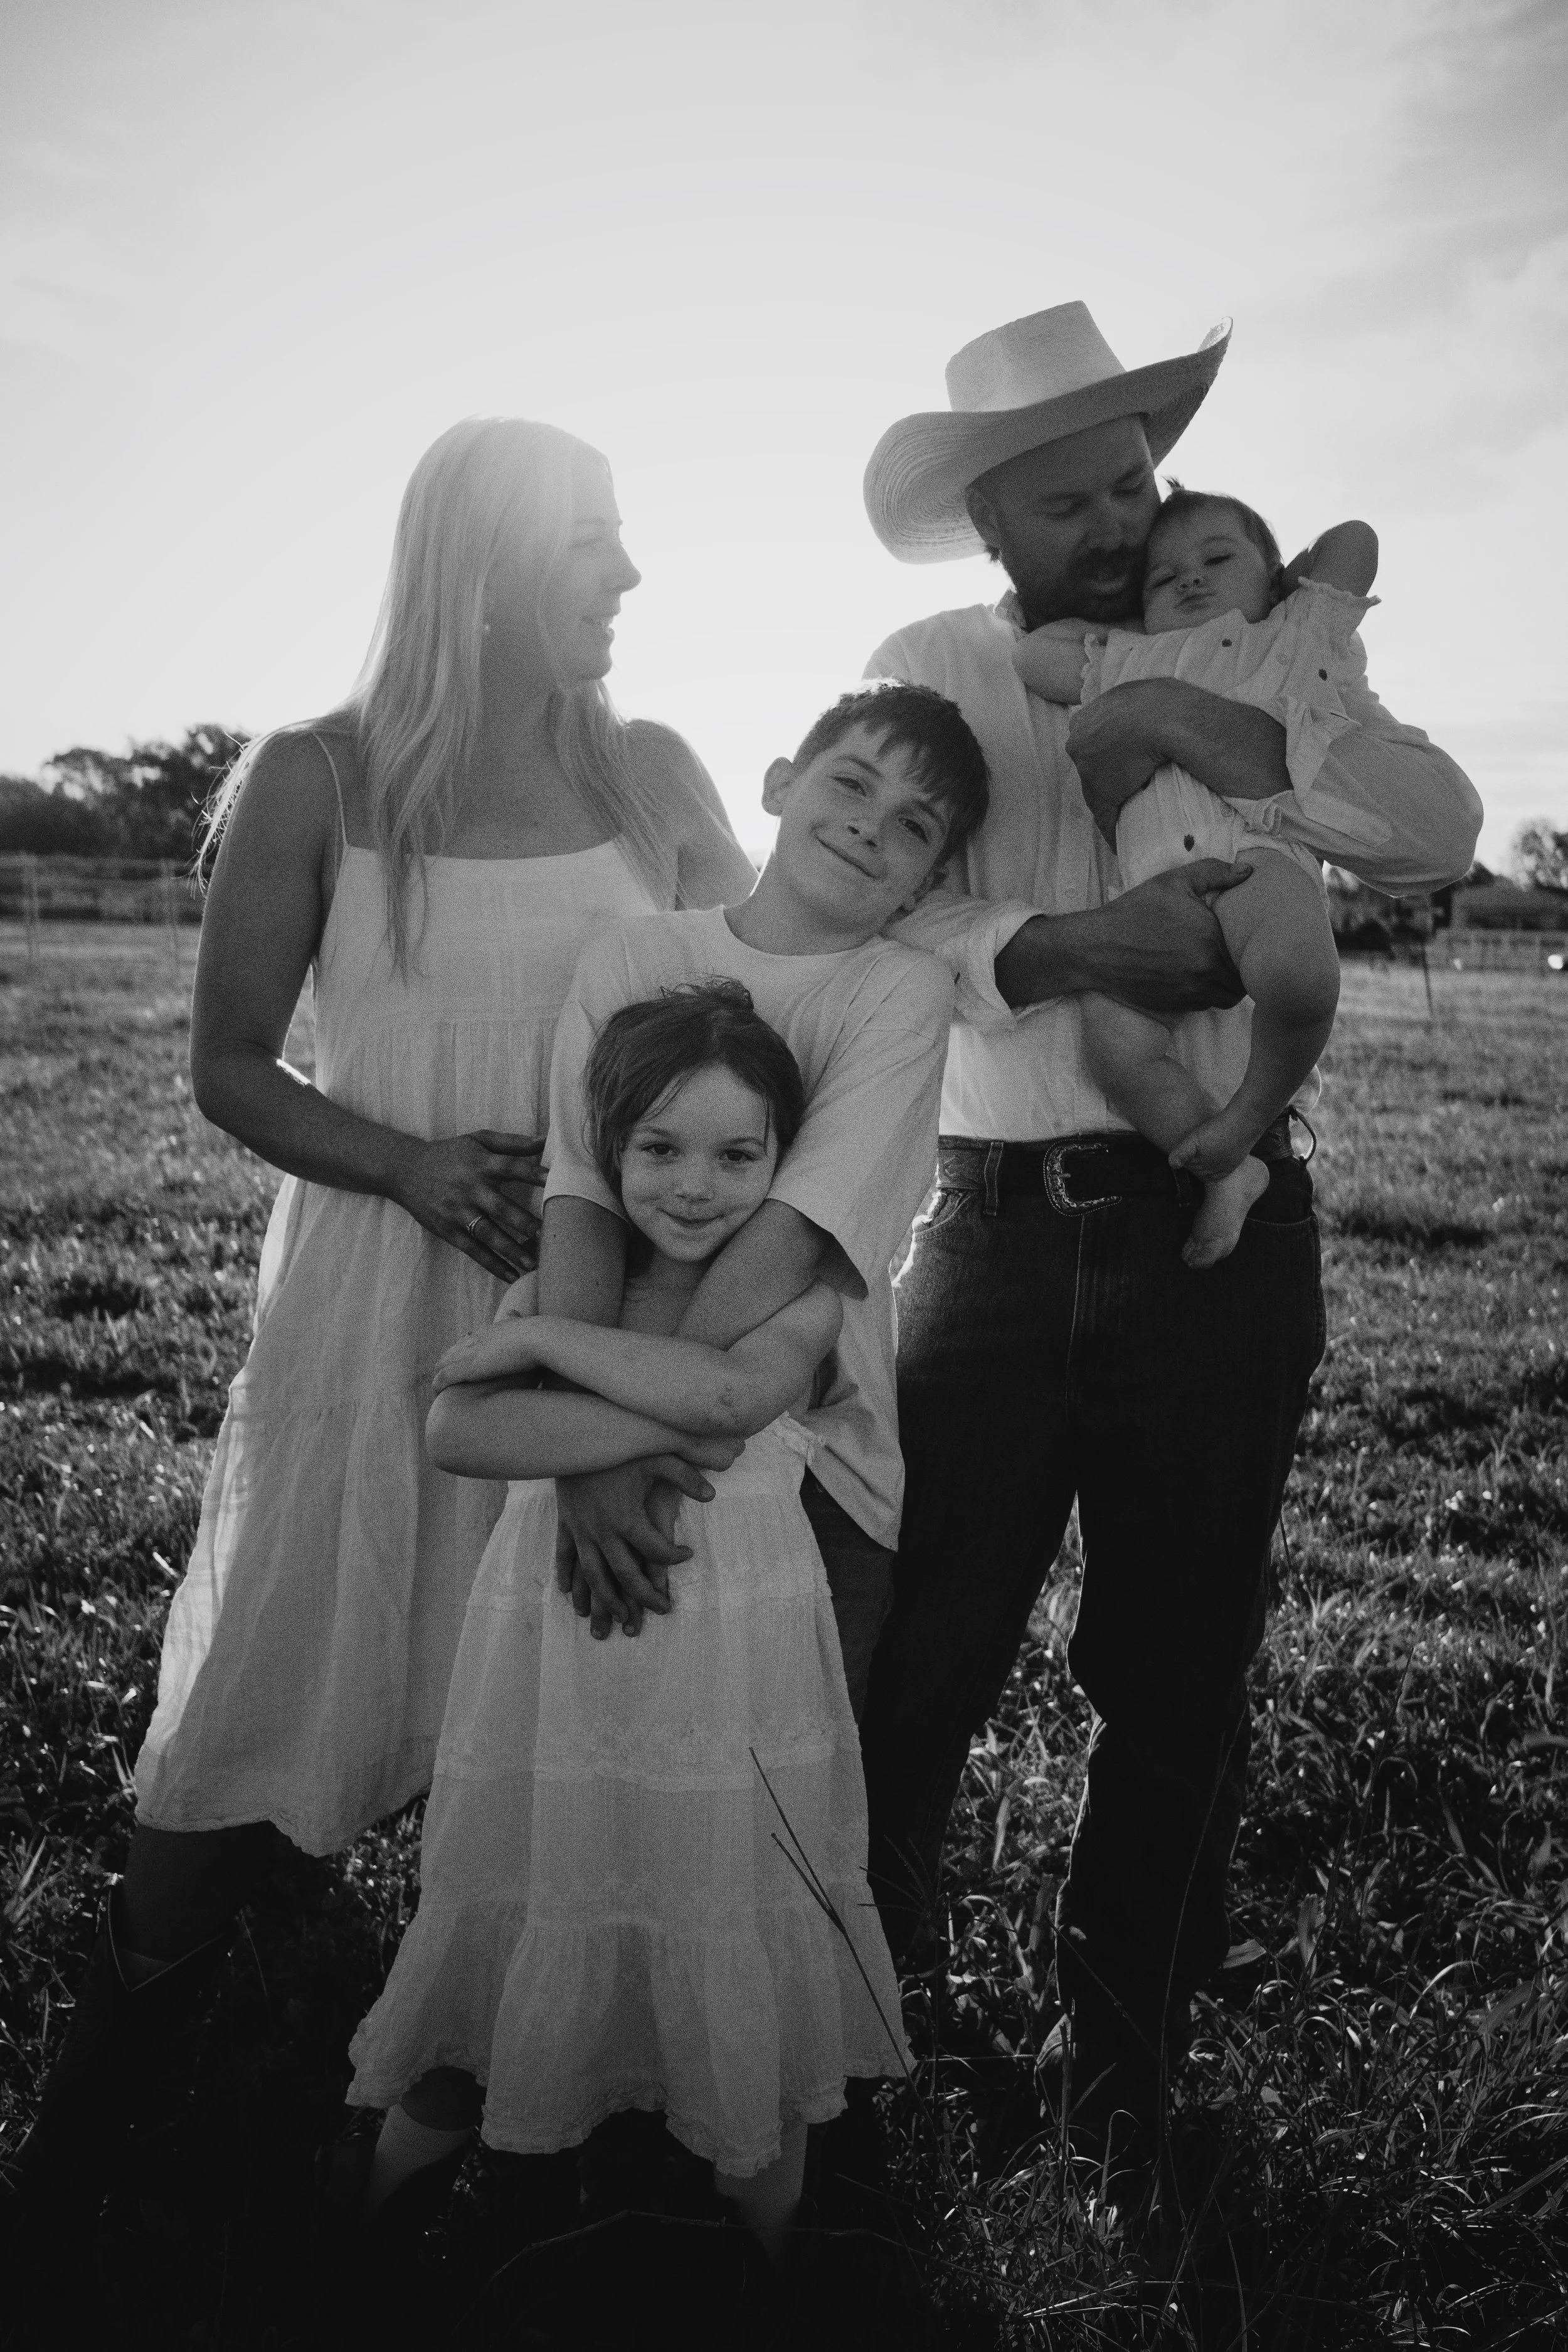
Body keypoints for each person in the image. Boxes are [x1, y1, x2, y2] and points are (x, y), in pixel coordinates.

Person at [10, 416, 754, 2204]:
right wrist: (415, 1165)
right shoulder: (317, 777)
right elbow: (229, 1066)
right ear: (484, 568)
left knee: (585, 1661)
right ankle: (102, 2077)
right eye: (593, 543)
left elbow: (765, 1016)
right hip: (373, 1293)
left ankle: (557, 2088)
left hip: (607, 1299)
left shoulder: (652, 770)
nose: (632, 577)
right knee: (287, 1651)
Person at [856, 302, 1483, 2177]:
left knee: (1177, 1665)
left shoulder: (1252, 641)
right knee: (922, 1653)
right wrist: (1053, 952)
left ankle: (1115, 2055)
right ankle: (862, 2021)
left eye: (1134, 474)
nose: (1123, 513)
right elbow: (855, 903)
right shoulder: (931, 660)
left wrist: (1204, 720)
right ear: (989, 526)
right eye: (1072, 497)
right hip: (988, 1230)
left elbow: (1430, 827)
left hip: (1220, 1229)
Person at [344, 985, 907, 2270]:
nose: (694, 1185)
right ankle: (369, 2226)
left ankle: (764, 2272)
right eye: (658, 1148)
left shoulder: (811, 1286)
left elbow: (732, 1389)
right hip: (560, 1657)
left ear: (783, 1162)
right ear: (606, 1151)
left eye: (734, 1154)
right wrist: (653, 1401)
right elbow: (460, 1430)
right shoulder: (572, 1276)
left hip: (731, 1659)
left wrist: (545, 1351)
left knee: (728, 1902)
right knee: (535, 1891)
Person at [534, 681, 998, 1739]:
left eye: (913, 826)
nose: (868, 826)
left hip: (815, 1461)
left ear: (932, 876)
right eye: (850, 782)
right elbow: (582, 1196)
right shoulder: (635, 959)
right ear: (781, 784)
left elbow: (796, 1237)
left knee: (789, 1799)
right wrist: (584, 1454)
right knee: (611, 1768)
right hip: (597, 1441)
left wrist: (612, 1434)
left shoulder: (898, 992)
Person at [1013, 487, 1380, 1266]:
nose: (1190, 580)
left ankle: (1248, 1115)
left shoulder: (1290, 631)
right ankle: (1222, 1163)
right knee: (1116, 1050)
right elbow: (1032, 654)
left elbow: (1355, 538)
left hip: (1255, 859)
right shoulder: (1128, 659)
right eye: (1163, 576)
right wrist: (1124, 631)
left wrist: (1293, 586)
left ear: (1273, 577)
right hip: (1150, 892)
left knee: (1299, 980)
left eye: (1218, 559)